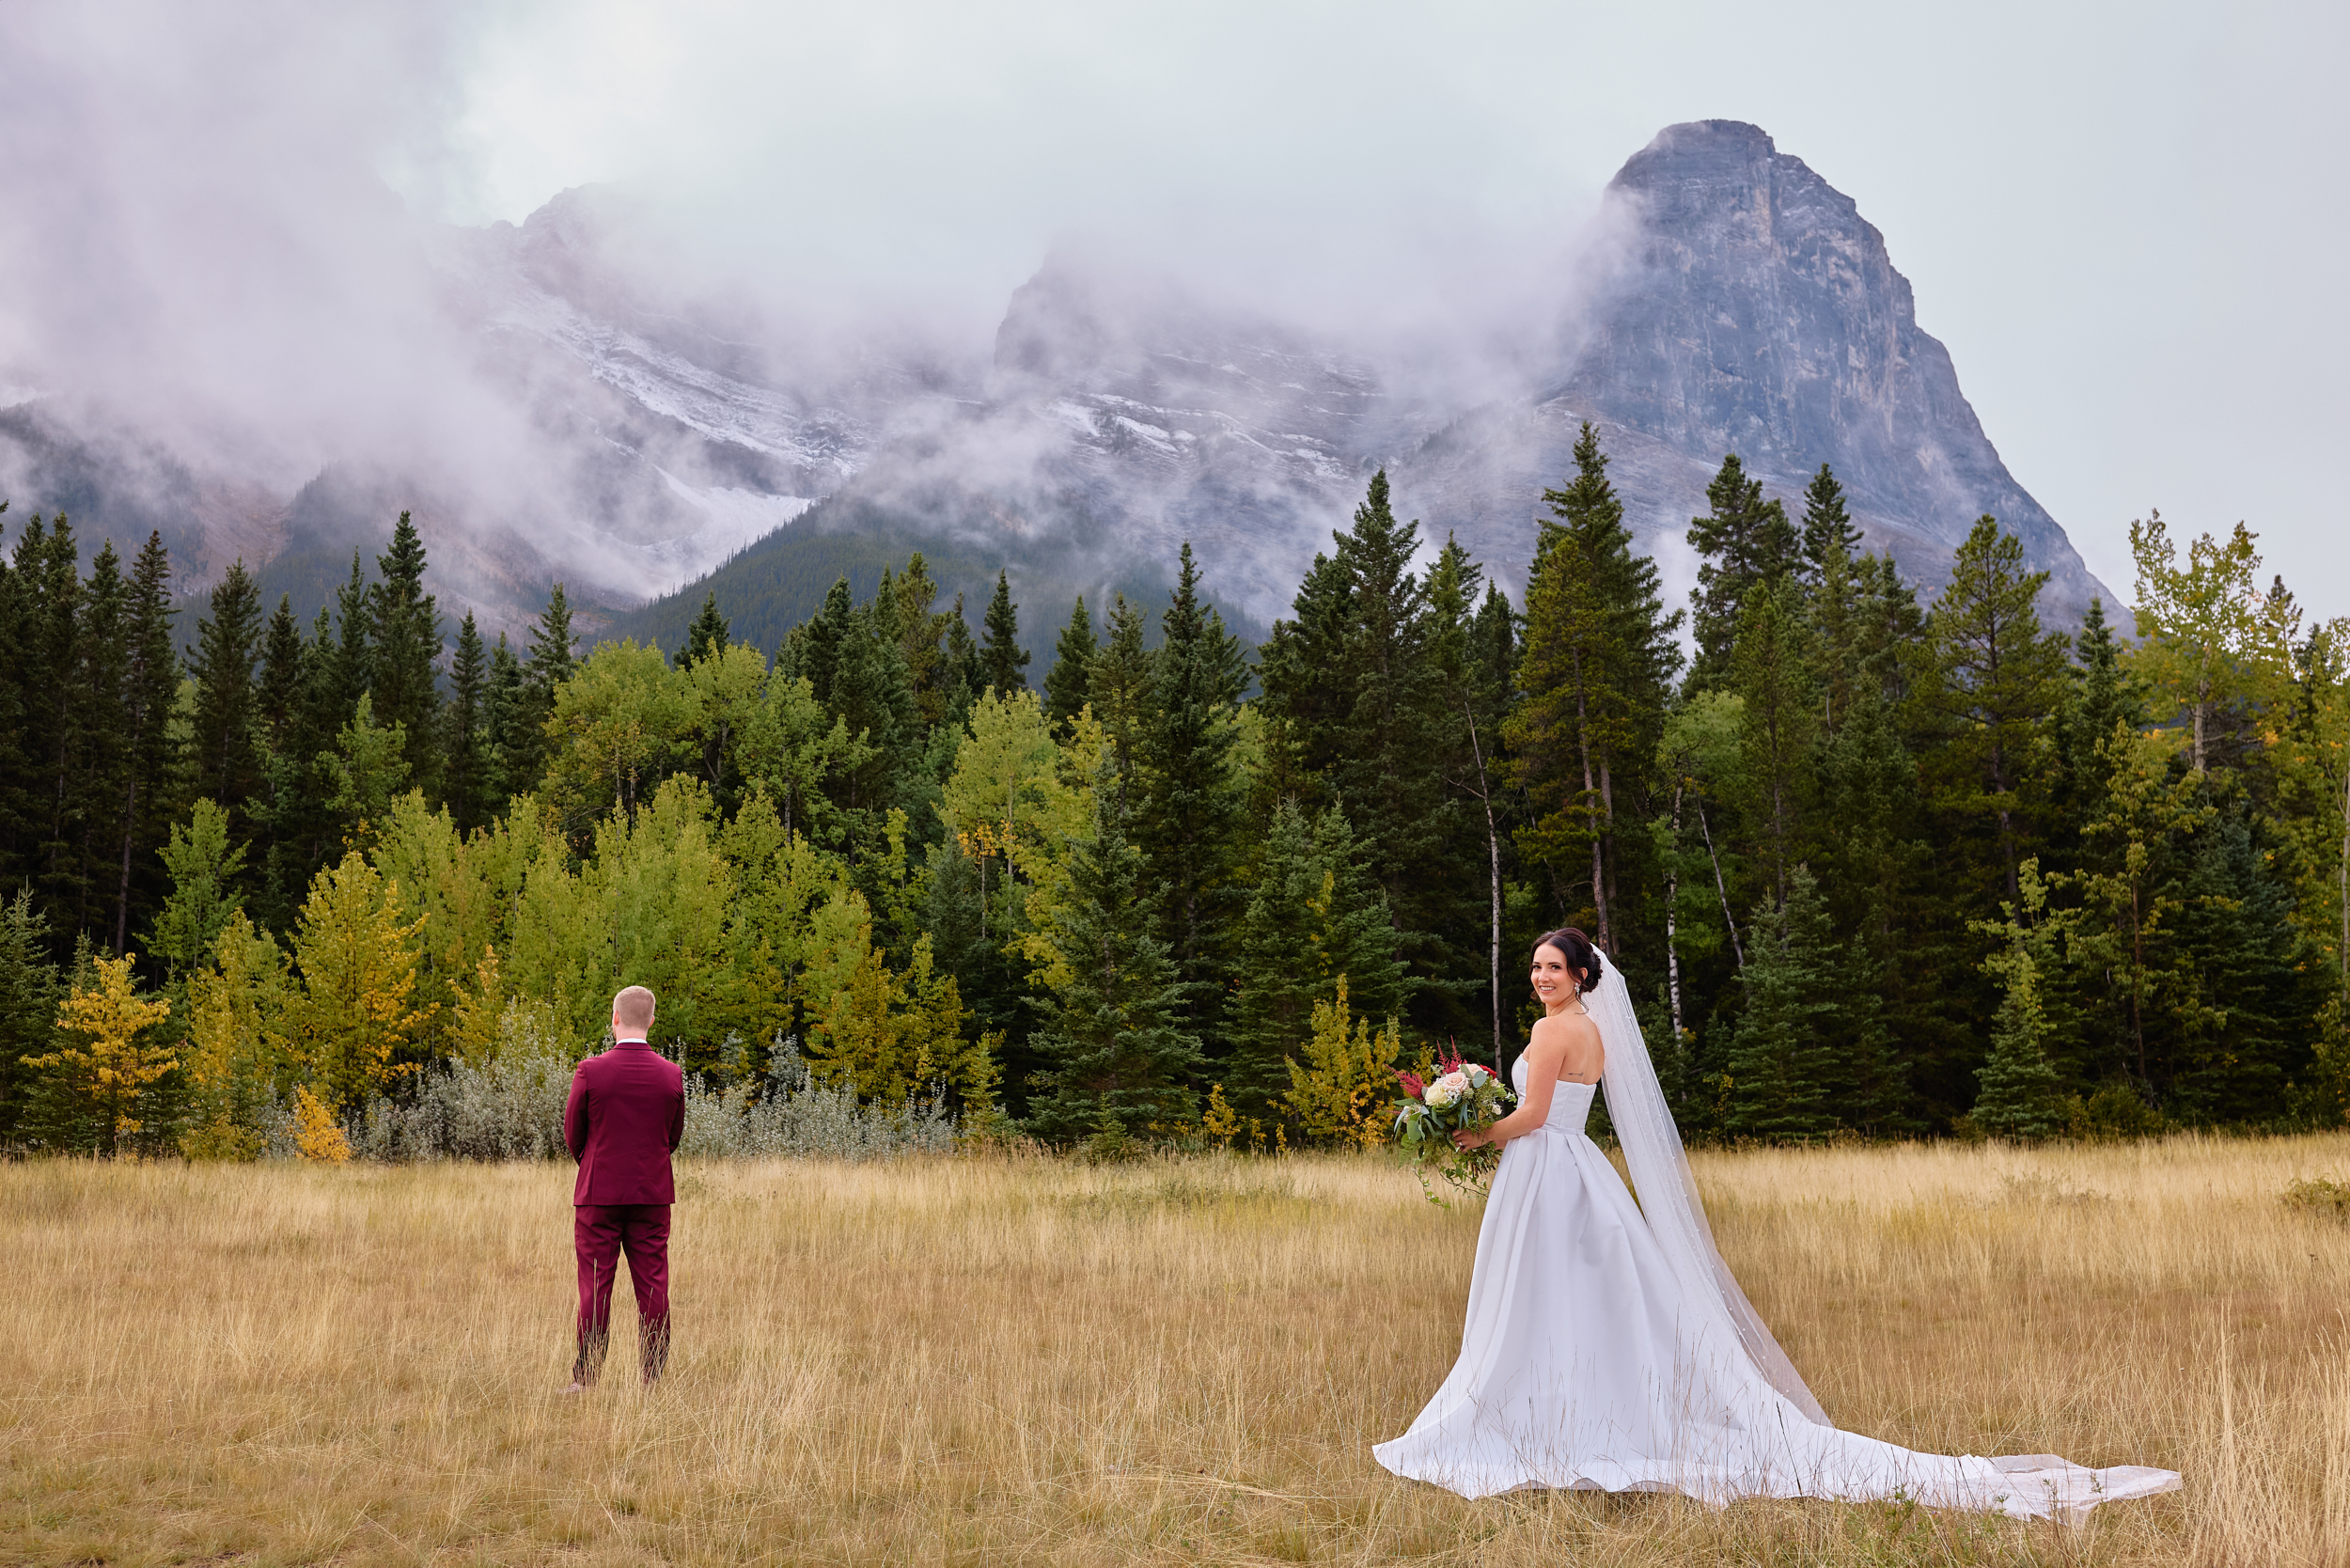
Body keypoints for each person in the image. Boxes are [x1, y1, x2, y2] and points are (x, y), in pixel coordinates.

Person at [1372, 928, 2182, 1519]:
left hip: (1549, 1171)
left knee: (1536, 1303)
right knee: (1568, 1306)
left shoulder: (1555, 1031)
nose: (1542, 976)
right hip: (1577, 1174)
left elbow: (1539, 1114)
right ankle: (1567, 1411)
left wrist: (1472, 1128)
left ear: (1584, 974)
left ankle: (1539, 1418)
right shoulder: (1593, 1032)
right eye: (1538, 967)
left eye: (1555, 967)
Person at [563, 984, 685, 1391]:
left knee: (595, 1285)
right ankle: (652, 1380)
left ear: (615, 1018)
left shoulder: (590, 1071)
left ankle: (587, 1380)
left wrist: (595, 1163)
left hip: (598, 1194)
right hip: (652, 1193)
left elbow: (573, 1134)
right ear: (651, 1019)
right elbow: (673, 1136)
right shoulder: (671, 1074)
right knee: (654, 1285)